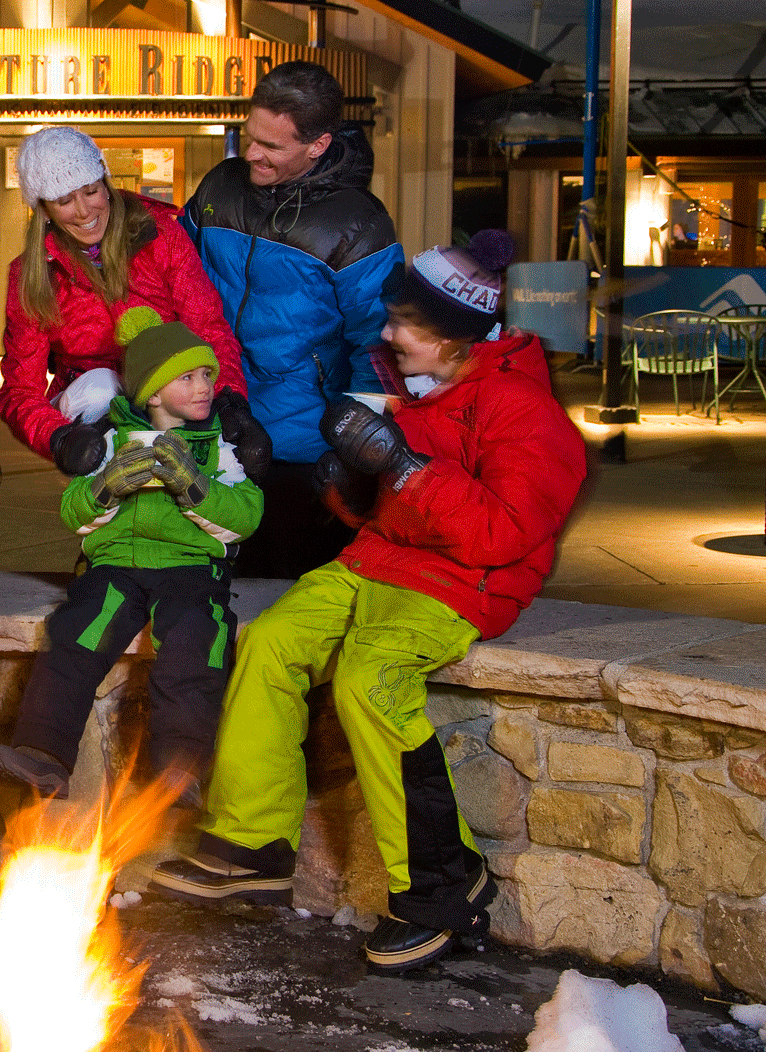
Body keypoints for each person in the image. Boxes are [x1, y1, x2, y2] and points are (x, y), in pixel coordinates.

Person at [150, 231, 588, 975]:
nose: (387, 333)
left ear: (449, 335)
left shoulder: (522, 409)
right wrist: (346, 482)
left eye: (403, 323)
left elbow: (507, 532)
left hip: (462, 582)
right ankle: (253, 842)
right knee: (270, 639)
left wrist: (406, 466)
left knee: (370, 679)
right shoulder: (422, 390)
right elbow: (387, 509)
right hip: (379, 563)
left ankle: (443, 886)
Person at [0, 307, 263, 802]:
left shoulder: (216, 447)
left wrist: (194, 487)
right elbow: (74, 513)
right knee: (76, 636)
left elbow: (245, 515)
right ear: (153, 393)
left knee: (196, 644)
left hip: (191, 572)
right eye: (189, 377)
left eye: (207, 374)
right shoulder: (114, 439)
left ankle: (177, 772)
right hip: (114, 570)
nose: (205, 386)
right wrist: (107, 487)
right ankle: (43, 756)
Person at [183, 61, 404, 579]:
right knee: (204, 591)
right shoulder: (221, 185)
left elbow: (378, 340)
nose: (251, 154)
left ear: (318, 145)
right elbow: (173, 271)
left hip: (301, 447)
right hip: (214, 419)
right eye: (248, 136)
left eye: (272, 147)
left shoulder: (359, 224)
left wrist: (356, 439)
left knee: (282, 587)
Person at [0, 126, 270, 483]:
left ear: (105, 185)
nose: (83, 211)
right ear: (44, 210)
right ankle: (116, 501)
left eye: (91, 191)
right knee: (101, 388)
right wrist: (58, 438)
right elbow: (20, 389)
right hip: (95, 406)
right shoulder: (31, 274)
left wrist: (231, 401)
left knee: (208, 449)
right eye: (64, 201)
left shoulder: (161, 236)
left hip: (169, 384)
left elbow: (207, 328)